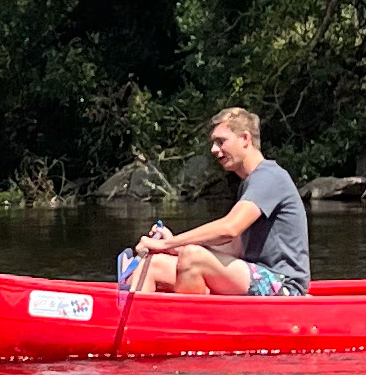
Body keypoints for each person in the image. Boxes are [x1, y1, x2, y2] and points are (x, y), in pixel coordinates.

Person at [128, 107, 311, 298]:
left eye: (221, 142)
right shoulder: (250, 183)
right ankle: (133, 323)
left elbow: (229, 228)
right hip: (252, 275)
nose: (214, 150)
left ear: (245, 139)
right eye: (214, 143)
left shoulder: (269, 177)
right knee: (152, 264)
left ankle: (192, 325)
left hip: (284, 287)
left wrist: (168, 244)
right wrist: (174, 248)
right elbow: (235, 248)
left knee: (193, 257)